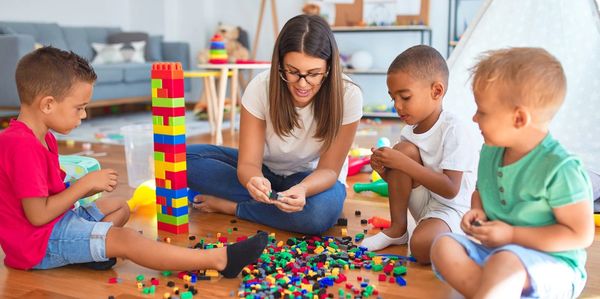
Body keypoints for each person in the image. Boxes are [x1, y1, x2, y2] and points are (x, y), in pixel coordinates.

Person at [0, 46, 267, 276]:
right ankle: (220, 260)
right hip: (38, 244)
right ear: (47, 104)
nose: (82, 116)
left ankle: (91, 250)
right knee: (126, 239)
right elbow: (37, 216)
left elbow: (49, 192)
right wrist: (84, 185)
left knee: (120, 207)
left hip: (56, 224)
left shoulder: (43, 137)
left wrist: (85, 189)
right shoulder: (21, 145)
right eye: (79, 108)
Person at [430, 47, 594, 298]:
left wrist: (512, 234)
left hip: (552, 264)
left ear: (518, 119)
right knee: (443, 245)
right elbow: (480, 191)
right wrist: (478, 212)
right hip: (498, 252)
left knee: (504, 262)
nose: (474, 118)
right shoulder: (489, 151)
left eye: (482, 111)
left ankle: (491, 289)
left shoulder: (561, 169)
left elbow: (580, 235)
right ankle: (486, 291)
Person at [186, 14, 363, 235]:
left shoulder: (348, 95)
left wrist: (303, 189)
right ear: (279, 64)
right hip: (266, 172)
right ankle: (275, 207)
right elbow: (249, 163)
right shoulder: (260, 87)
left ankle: (234, 207)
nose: (302, 84)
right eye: (292, 71)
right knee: (180, 159)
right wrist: (253, 180)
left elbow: (328, 170)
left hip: (311, 178)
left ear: (328, 68)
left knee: (317, 215)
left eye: (314, 74)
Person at [362, 45, 481, 264]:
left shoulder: (455, 130)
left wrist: (401, 163)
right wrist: (387, 170)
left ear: (436, 91)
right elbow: (404, 181)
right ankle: (398, 229)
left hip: (453, 209)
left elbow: (450, 189)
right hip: (426, 204)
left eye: (405, 97)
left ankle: (462, 239)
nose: (397, 106)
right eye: (393, 98)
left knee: (421, 247)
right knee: (403, 151)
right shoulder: (410, 130)